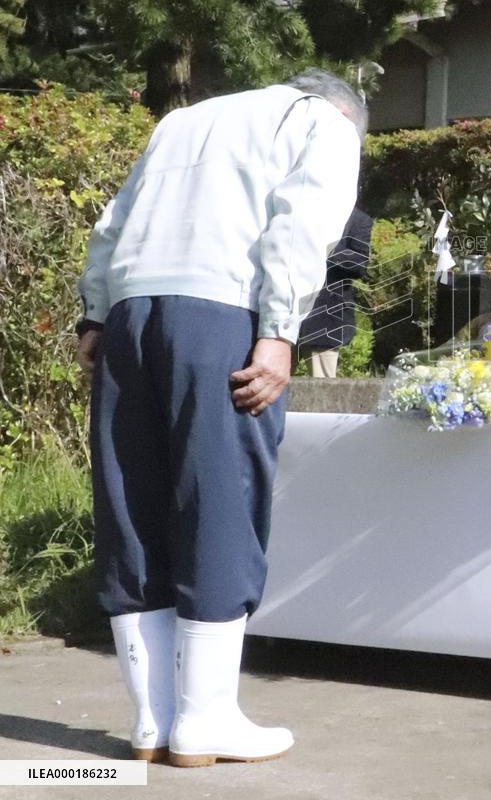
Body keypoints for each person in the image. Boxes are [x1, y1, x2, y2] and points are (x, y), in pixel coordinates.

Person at [74, 69, 366, 767]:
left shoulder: (182, 121)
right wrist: (281, 330)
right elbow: (301, 224)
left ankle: (152, 722)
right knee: (219, 504)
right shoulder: (321, 121)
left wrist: (95, 313)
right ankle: (205, 721)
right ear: (347, 113)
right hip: (220, 315)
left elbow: (113, 223)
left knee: (134, 506)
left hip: (130, 316)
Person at [298, 206, 374, 378]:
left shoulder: (358, 218)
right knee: (267, 383)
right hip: (285, 314)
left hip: (324, 318)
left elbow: (359, 263)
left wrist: (323, 249)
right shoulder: (302, 210)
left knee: (322, 387)